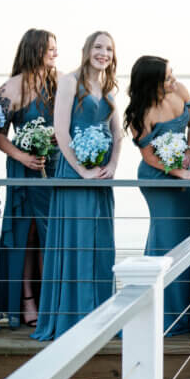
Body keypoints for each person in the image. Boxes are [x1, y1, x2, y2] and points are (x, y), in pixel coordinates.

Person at [33, 31, 124, 340]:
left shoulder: (109, 86)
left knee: (100, 244)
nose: (103, 53)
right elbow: (60, 131)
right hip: (74, 175)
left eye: (109, 49)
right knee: (77, 240)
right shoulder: (71, 82)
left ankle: (100, 314)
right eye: (98, 47)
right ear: (86, 51)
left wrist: (111, 165)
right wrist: (82, 172)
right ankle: (72, 315)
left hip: (101, 178)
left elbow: (118, 133)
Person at [124, 56, 190, 336]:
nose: (174, 81)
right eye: (167, 78)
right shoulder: (139, 113)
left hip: (184, 168)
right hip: (157, 178)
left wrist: (189, 153)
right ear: (150, 83)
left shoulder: (180, 91)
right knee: (166, 237)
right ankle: (161, 311)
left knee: (187, 235)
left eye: (173, 75)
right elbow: (148, 156)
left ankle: (186, 308)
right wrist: (177, 172)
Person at [0, 29, 60, 328]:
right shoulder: (11, 88)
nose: (55, 54)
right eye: (50, 49)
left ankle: (52, 298)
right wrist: (22, 157)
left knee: (51, 233)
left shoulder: (57, 83)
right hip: (24, 167)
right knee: (27, 233)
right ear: (34, 50)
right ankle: (26, 300)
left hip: (54, 167)